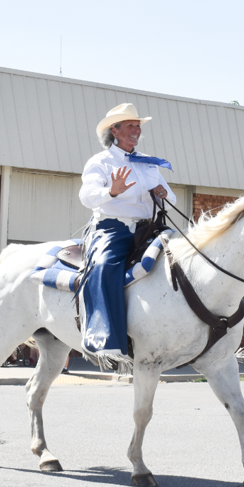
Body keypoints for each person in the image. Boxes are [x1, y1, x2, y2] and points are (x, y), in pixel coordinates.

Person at [77, 103, 176, 368]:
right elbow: (86, 196)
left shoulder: (148, 162)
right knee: (104, 266)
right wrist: (112, 191)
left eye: (138, 125)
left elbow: (171, 194)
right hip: (114, 229)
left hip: (150, 227)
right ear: (115, 130)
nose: (137, 130)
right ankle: (106, 342)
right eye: (131, 125)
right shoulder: (100, 162)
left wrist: (164, 194)